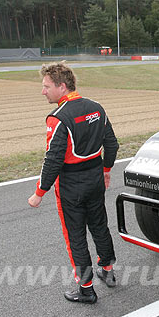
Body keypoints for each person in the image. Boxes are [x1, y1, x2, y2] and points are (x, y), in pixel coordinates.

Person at [28, 62, 119, 304]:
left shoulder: (58, 118)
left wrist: (39, 192)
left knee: (75, 236)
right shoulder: (96, 108)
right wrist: (106, 170)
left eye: (47, 86)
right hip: (95, 179)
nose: (43, 91)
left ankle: (86, 289)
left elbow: (53, 159)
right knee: (100, 226)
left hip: (71, 186)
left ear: (62, 86)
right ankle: (108, 272)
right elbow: (112, 145)